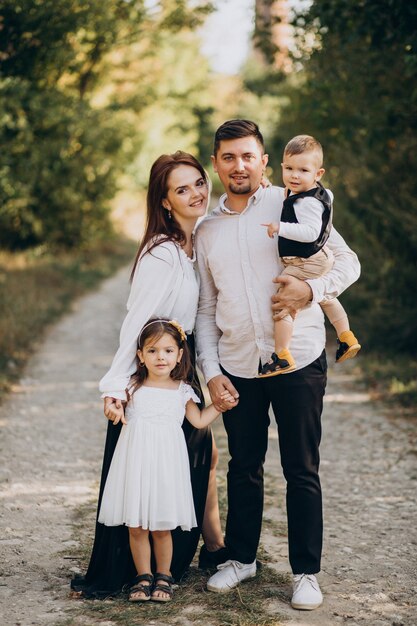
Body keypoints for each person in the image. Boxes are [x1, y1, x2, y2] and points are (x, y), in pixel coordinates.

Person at [195, 120, 360, 610]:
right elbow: (205, 309)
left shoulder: (295, 203)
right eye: (228, 157)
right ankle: (241, 558)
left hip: (299, 359)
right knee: (244, 466)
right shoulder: (207, 230)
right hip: (239, 363)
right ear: (217, 163)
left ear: (265, 161)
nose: (239, 165)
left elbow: (348, 262)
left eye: (248, 156)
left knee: (301, 468)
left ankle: (306, 572)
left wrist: (313, 289)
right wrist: (211, 370)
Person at [71, 151, 234, 599]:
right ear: (165, 202)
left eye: (199, 182)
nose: (196, 193)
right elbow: (136, 323)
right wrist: (117, 388)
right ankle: (152, 564)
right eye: (182, 189)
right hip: (156, 375)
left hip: (181, 368)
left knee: (202, 457)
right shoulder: (161, 255)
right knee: (159, 470)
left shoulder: (192, 242)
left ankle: (212, 545)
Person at [98, 318, 233, 602]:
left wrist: (218, 407)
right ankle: (142, 576)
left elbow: (198, 421)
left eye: (169, 351)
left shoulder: (182, 390)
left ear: (180, 355)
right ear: (140, 356)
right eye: (153, 351)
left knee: (161, 525)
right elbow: (115, 410)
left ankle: (164, 576)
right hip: (135, 464)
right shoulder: (130, 388)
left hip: (165, 467)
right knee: (136, 526)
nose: (161, 357)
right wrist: (112, 411)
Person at [259, 134, 361, 377]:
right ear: (282, 167)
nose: (294, 176)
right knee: (324, 297)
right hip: (320, 257)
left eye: (303, 170)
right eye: (289, 169)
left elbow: (310, 231)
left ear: (318, 174)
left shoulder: (306, 203)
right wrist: (267, 183)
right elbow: (294, 196)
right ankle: (346, 336)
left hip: (304, 260)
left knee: (283, 303)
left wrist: (280, 227)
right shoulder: (318, 193)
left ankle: (281, 354)